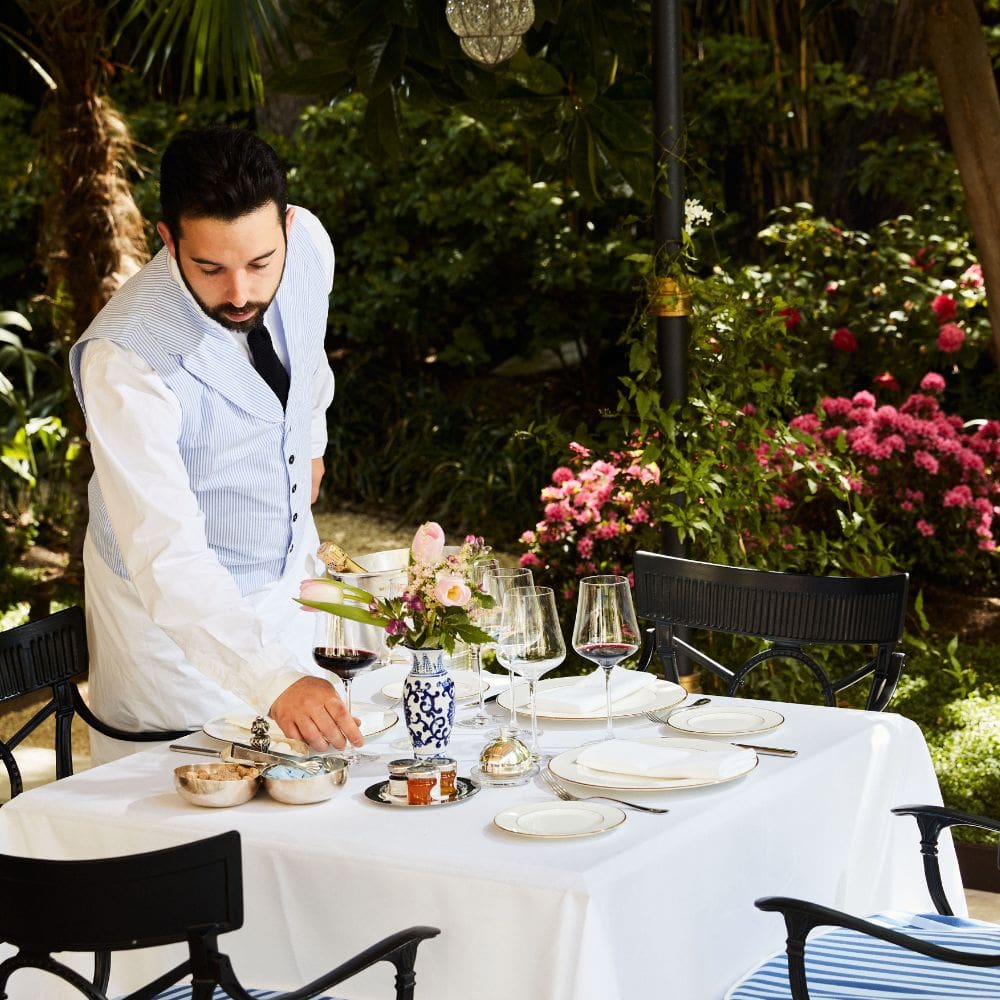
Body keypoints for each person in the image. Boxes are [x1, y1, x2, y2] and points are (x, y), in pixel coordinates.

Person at [69, 125, 363, 764]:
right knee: (189, 846)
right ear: (167, 240)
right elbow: (165, 554)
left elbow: (308, 361)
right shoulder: (125, 358)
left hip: (292, 600)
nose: (240, 293)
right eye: (210, 267)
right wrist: (272, 680)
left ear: (286, 225)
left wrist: (309, 442)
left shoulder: (309, 246)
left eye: (261, 263)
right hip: (171, 647)